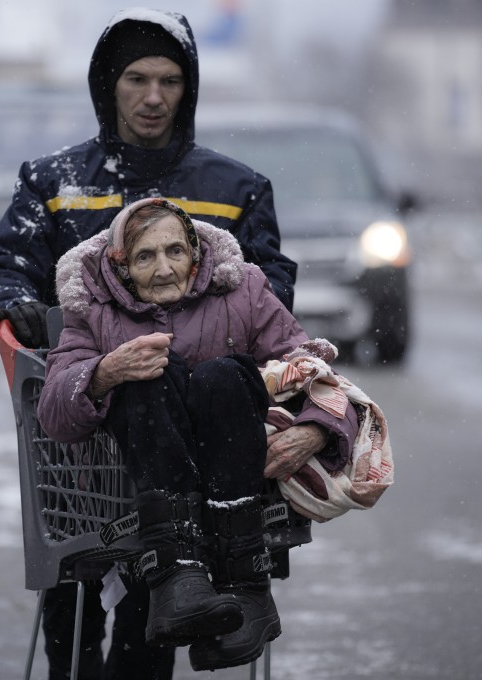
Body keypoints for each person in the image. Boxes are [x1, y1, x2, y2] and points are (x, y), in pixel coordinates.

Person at [0, 9, 299, 680]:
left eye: (170, 81)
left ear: (190, 89)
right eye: (137, 79)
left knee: (160, 600)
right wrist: (14, 307)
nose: (153, 98)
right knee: (73, 595)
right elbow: (2, 266)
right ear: (107, 86)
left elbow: (272, 292)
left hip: (194, 439)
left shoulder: (234, 191)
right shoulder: (54, 183)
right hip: (85, 451)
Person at [36, 197, 360, 671]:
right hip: (128, 497)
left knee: (223, 377)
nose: (164, 269)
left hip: (235, 483)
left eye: (175, 252)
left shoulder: (243, 290)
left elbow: (312, 370)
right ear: (121, 267)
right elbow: (53, 411)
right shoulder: (93, 307)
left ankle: (246, 585)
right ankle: (177, 573)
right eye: (145, 256)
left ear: (194, 252)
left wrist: (315, 429)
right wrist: (106, 371)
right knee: (146, 378)